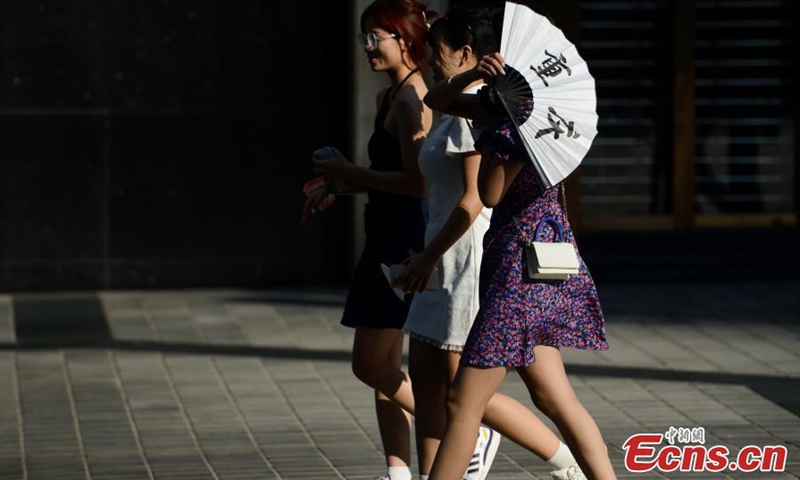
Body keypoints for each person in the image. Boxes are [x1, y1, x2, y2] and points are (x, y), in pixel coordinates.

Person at [396, 5, 593, 480]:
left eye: (433, 54)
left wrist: (493, 139)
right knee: (551, 397)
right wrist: (464, 83)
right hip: (498, 265)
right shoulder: (489, 106)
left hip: (494, 267)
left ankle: (561, 462)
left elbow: (482, 196)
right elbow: (439, 102)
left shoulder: (504, 118)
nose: (425, 64)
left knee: (464, 400)